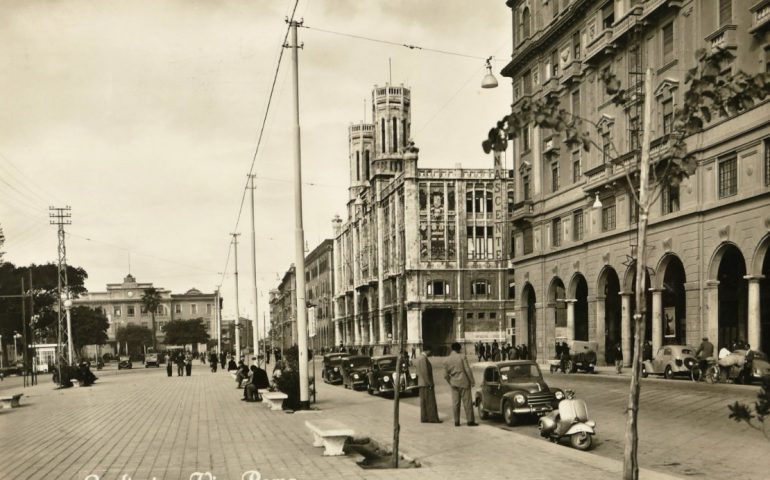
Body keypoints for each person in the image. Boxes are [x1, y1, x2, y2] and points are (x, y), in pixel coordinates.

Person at [443, 342, 477, 427]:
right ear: (459, 349)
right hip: (464, 382)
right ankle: (470, 421)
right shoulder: (462, 357)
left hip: (454, 383)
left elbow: (445, 375)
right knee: (467, 402)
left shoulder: (446, 360)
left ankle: (456, 421)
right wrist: (472, 381)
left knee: (455, 403)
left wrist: (450, 382)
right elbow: (467, 370)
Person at [415, 345, 441, 423]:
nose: (430, 353)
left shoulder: (419, 358)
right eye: (430, 351)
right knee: (430, 402)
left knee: (424, 402)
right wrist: (429, 383)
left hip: (421, 383)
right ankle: (432, 418)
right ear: (427, 351)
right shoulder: (423, 359)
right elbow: (424, 372)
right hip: (426, 384)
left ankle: (424, 417)